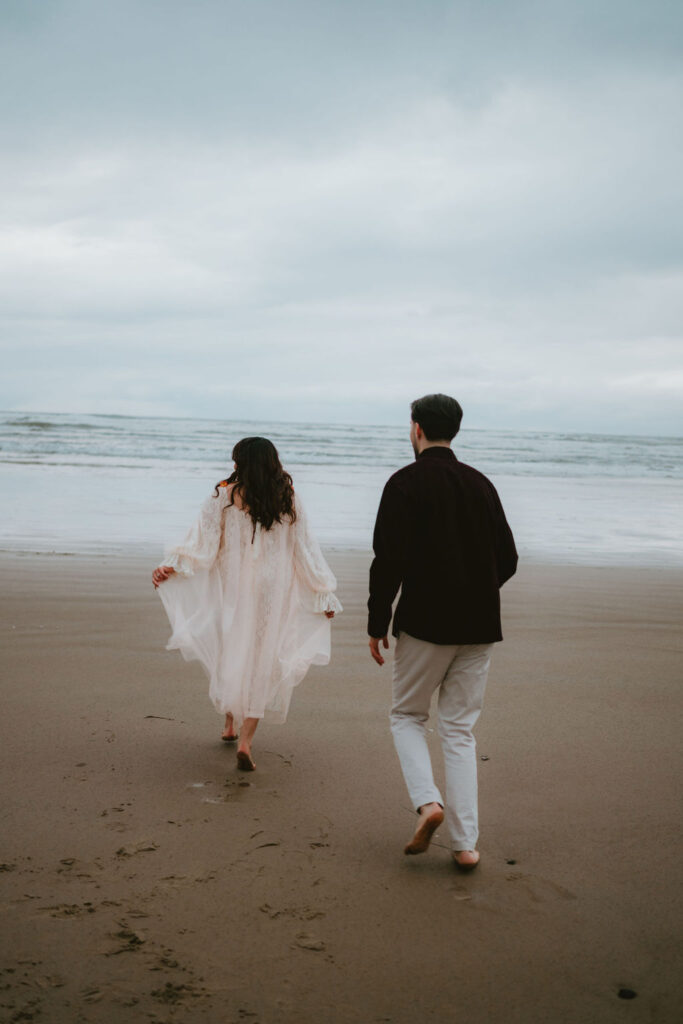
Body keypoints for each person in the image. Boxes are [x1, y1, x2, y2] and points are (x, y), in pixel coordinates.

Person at [367, 394, 517, 870]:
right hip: (479, 627)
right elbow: (508, 559)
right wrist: (472, 591)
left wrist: (376, 622)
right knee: (459, 730)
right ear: (455, 430)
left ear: (415, 429)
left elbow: (387, 560)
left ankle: (428, 803)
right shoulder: (481, 484)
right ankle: (466, 845)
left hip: (426, 624)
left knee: (407, 717)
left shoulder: (404, 483)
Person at [153, 437, 342, 770]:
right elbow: (305, 550)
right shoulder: (289, 497)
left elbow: (203, 543)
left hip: (235, 585)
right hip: (274, 587)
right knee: (262, 655)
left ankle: (228, 723)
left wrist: (174, 564)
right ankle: (245, 741)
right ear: (273, 462)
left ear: (240, 461)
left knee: (233, 648)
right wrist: (322, 592)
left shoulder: (225, 495)